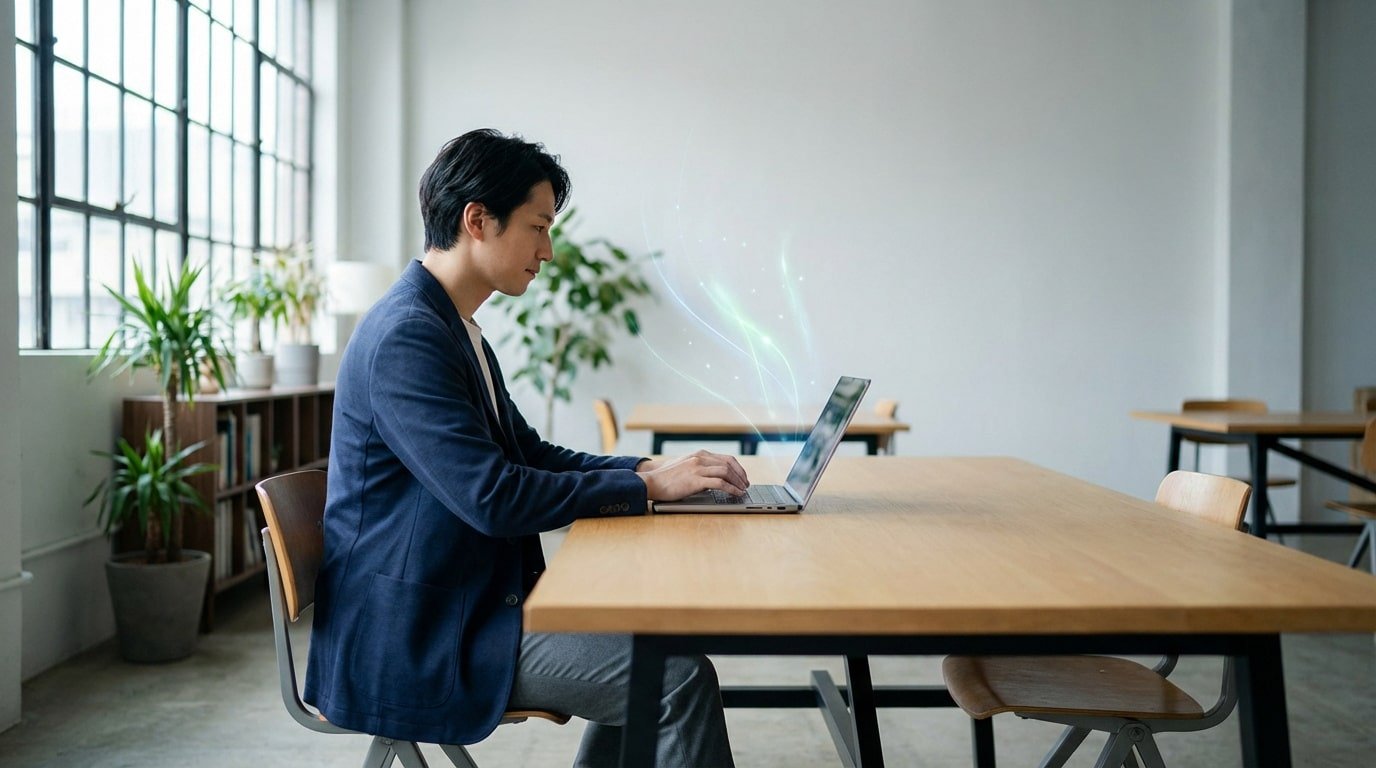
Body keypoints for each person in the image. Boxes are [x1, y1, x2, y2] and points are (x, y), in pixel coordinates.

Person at [305, 128, 748, 767]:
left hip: (460, 602)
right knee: (675, 678)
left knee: (656, 653)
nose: (548, 249)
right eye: (538, 226)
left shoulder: (452, 329)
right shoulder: (408, 337)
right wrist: (646, 487)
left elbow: (529, 454)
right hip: (418, 634)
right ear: (477, 220)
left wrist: (647, 468)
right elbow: (493, 497)